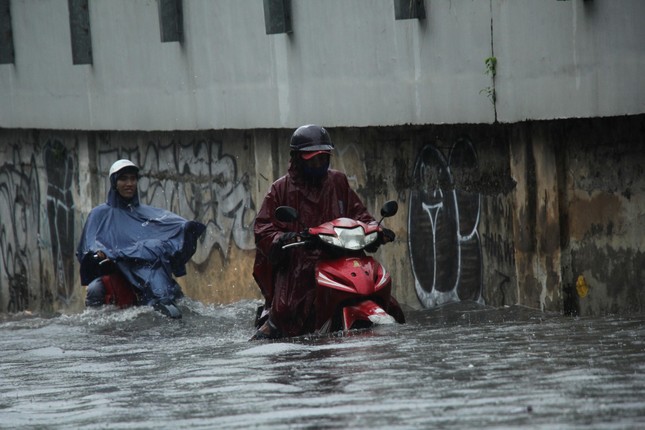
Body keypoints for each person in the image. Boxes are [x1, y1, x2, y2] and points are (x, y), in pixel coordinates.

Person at [252, 124, 395, 339]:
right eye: (313, 159)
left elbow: (359, 214)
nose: (319, 164)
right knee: (287, 313)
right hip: (300, 267)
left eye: (323, 158)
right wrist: (282, 238)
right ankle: (267, 336)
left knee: (384, 297)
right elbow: (263, 229)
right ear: (297, 158)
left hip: (342, 260)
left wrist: (377, 229)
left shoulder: (338, 182)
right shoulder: (280, 189)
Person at [76, 159, 206, 318]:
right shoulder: (99, 214)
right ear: (114, 182)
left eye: (133, 178)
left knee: (173, 293)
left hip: (147, 270)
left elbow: (170, 225)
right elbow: (90, 242)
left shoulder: (146, 213)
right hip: (117, 271)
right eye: (123, 179)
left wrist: (185, 228)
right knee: (96, 289)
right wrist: (99, 252)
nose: (129, 183)